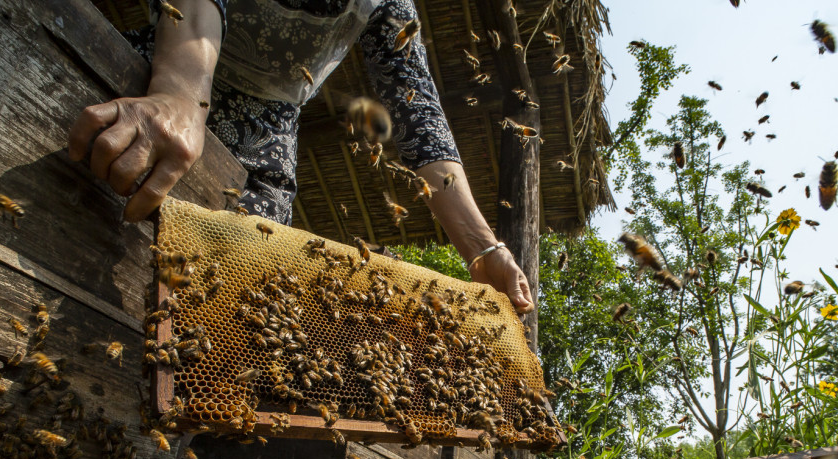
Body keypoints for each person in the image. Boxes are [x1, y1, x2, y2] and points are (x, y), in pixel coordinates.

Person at [67, 0, 533, 313]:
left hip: (267, 139)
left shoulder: (393, 6)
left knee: (233, 307)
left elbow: (419, 113)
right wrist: (180, 92)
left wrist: (483, 248)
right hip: (161, 78)